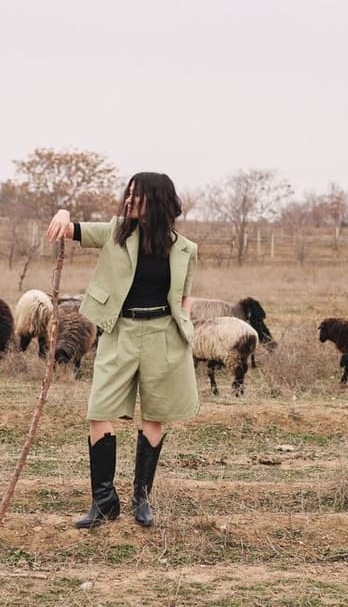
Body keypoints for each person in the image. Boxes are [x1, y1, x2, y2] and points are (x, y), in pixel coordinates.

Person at [46, 172, 199, 528]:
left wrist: (185, 324)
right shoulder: (116, 232)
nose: (129, 200)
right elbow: (73, 231)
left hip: (163, 334)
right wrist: (64, 212)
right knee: (99, 409)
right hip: (119, 332)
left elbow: (186, 293)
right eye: (127, 193)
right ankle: (104, 501)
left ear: (157, 200)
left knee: (155, 413)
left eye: (137, 195)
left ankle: (141, 499)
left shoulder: (184, 249)